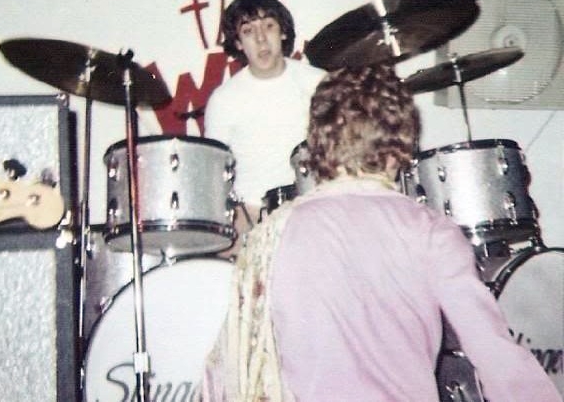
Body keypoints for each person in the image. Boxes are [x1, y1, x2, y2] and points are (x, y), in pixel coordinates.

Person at [201, 64, 561, 401]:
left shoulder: (271, 236)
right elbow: (498, 359)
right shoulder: (431, 231)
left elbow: (227, 372)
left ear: (319, 145)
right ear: (401, 146)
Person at [204, 0, 326, 242]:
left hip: (316, 207)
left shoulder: (319, 83)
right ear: (238, 43)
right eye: (248, 31)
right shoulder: (223, 100)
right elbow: (213, 176)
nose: (261, 40)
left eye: (269, 26)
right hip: (251, 215)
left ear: (283, 32)